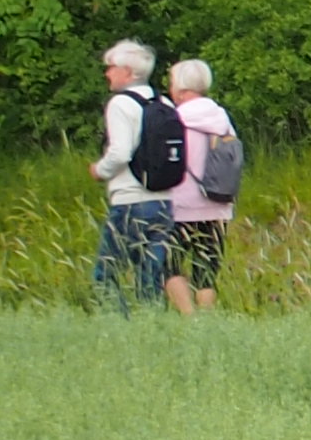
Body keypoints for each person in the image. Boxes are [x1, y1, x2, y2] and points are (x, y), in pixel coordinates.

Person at [87, 40, 178, 315]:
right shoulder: (163, 102)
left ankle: (119, 328)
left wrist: (99, 170)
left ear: (127, 72)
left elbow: (120, 152)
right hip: (164, 201)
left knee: (106, 274)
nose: (107, 73)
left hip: (130, 201)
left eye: (111, 68)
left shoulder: (120, 104)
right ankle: (152, 328)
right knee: (150, 276)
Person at [159, 57, 239, 314]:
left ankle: (188, 317)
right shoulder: (223, 119)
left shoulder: (173, 120)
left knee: (168, 265)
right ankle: (205, 320)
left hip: (180, 206)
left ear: (181, 89)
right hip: (217, 205)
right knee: (206, 269)